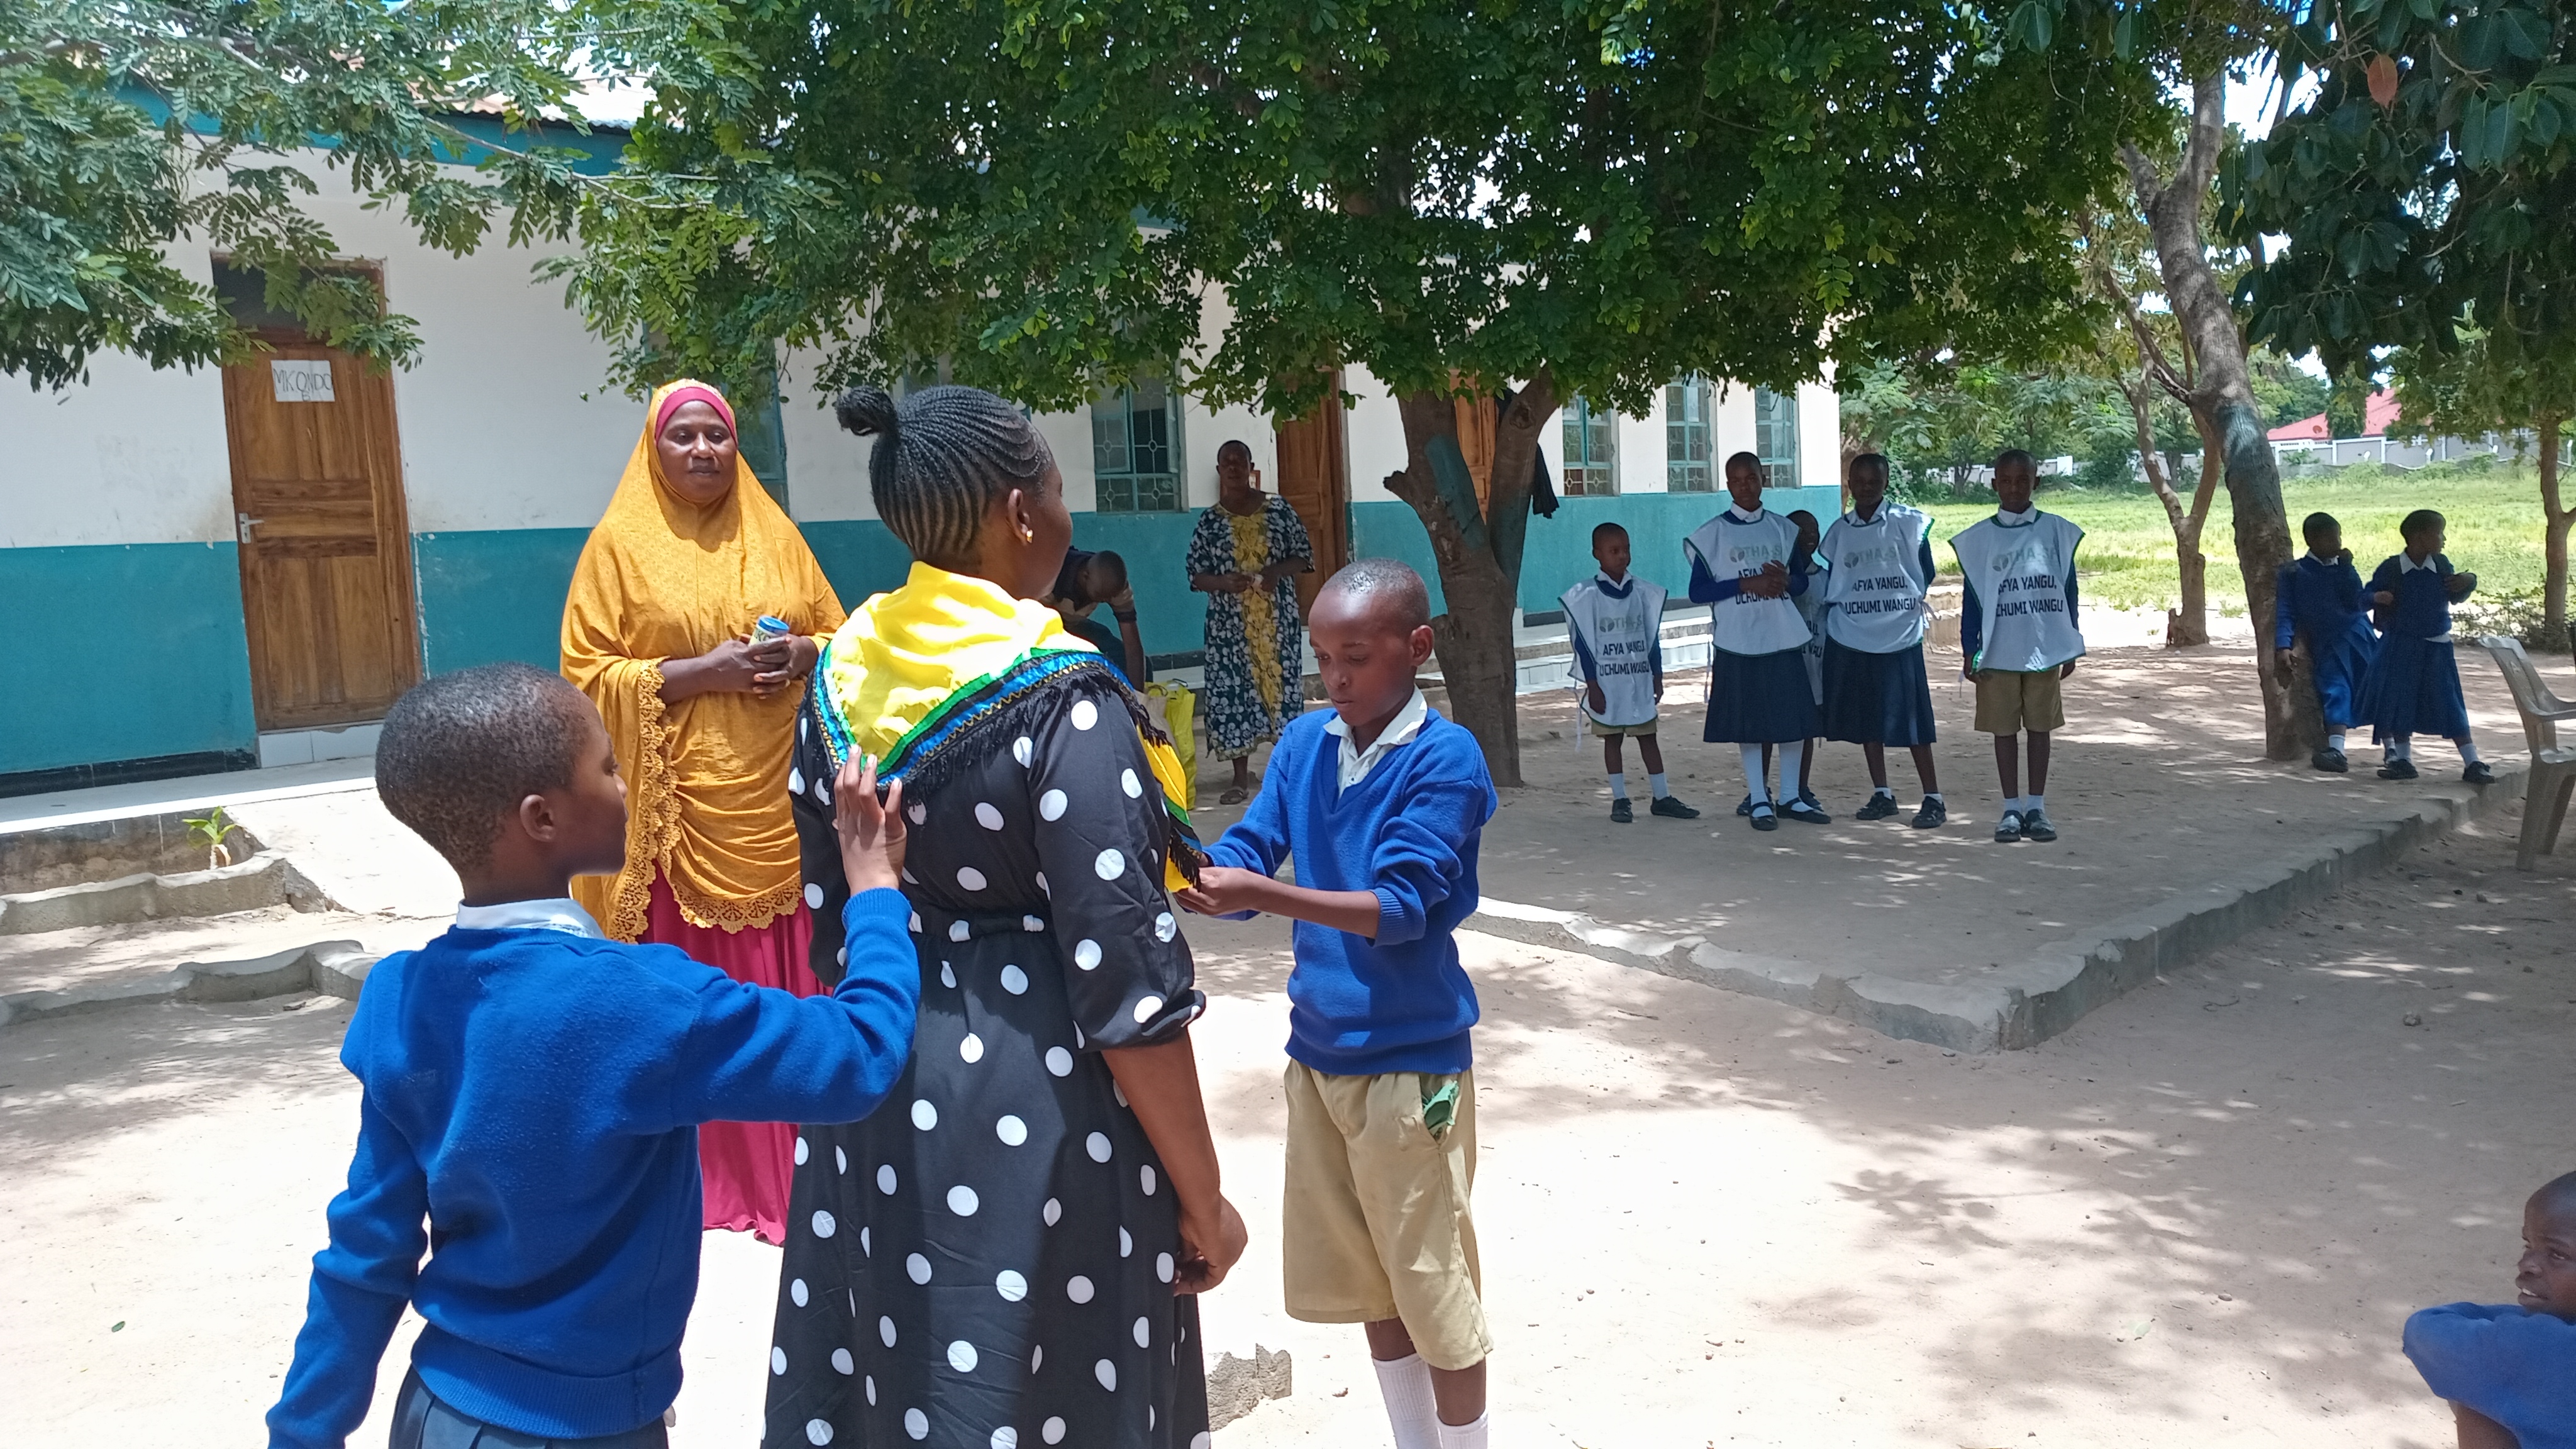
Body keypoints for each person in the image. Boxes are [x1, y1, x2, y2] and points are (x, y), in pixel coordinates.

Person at [264, 663, 918, 1449]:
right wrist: (875, 890)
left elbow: (367, 1251)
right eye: (608, 767)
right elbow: (858, 1055)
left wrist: (302, 1433)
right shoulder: (644, 1003)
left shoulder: (402, 998)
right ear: (542, 817)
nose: (625, 785)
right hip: (582, 1431)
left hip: (439, 1412)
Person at [768, 384, 1247, 1449]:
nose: (1068, 518)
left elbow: (829, 915)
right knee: (1060, 1386)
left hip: (875, 1080)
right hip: (1040, 1102)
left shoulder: (843, 672)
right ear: (1021, 512)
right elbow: (1125, 982)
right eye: (1061, 490)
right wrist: (1205, 1198)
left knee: (906, 1368)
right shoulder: (1063, 696)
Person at [1177, 558, 1501, 1449]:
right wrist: (1199, 870)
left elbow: (1399, 912)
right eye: (1323, 657)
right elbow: (1251, 846)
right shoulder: (1305, 745)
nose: (1337, 677)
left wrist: (1267, 893)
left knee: (1434, 1291)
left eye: (1356, 655)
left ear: (1418, 646)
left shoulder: (1446, 759)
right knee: (1373, 1286)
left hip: (1411, 1065)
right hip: (1318, 1058)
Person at [559, 378, 848, 1244]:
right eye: (683, 436)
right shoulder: (618, 546)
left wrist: (800, 650)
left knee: (790, 981)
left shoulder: (776, 532)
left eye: (716, 436)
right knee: (700, 990)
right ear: (656, 446)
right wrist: (699, 674)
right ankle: (711, 1174)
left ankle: (806, 1166)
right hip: (680, 818)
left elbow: (840, 639)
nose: (702, 452)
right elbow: (585, 676)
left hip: (781, 802)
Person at [1950, 450, 2084, 844]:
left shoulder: (2055, 532)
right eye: (2005, 481)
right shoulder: (1980, 539)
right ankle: (2011, 808)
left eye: (2022, 480)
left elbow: (2068, 591)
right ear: (1993, 484)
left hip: (2043, 646)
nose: (2013, 488)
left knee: (2040, 728)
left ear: (2035, 483)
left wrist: (2070, 640)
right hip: (1997, 649)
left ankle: (2037, 807)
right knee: (2004, 731)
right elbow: (1972, 597)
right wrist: (1968, 648)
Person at [1685, 452, 1824, 831]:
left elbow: (1802, 581)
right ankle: (1759, 798)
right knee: (1751, 723)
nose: (1745, 485)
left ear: (1763, 479)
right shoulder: (1711, 534)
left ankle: (1791, 796)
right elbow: (1697, 591)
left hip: (1782, 635)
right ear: (1727, 484)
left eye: (1752, 478)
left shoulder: (1782, 529)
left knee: (1793, 717)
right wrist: (1747, 584)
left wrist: (1784, 581)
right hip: (1739, 639)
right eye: (1737, 480)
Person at [2402, 1170, 2576, 1449]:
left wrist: (2515, 1326)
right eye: (2528, 1245)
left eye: (2557, 1254)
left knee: (2477, 1389)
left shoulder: (2540, 1348)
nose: (2527, 1263)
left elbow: (2424, 1329)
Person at [1819, 453, 1945, 828]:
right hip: (1854, 636)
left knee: (1914, 721)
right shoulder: (1840, 531)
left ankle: (1933, 798)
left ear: (1886, 482)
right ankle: (1882, 793)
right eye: (1859, 481)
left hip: (1898, 635)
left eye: (1874, 481)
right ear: (1850, 484)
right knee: (1868, 719)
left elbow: (1927, 571)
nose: (1867, 487)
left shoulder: (1909, 523)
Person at [1187, 438, 1314, 804]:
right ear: (1218, 470)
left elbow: (1304, 556)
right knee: (1234, 695)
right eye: (1225, 462)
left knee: (1284, 693)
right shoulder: (1210, 521)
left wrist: (1275, 572)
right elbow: (1196, 575)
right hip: (1230, 628)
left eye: (1239, 461)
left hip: (1277, 622)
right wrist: (1224, 583)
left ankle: (1288, 774)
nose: (1232, 468)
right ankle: (1240, 778)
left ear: (1250, 467)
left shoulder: (1279, 511)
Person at [1562, 521, 1697, 823]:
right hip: (1608, 683)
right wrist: (1592, 686)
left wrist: (1657, 674)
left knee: (1649, 738)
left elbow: (1651, 638)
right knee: (1613, 741)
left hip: (1637, 679)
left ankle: (1662, 797)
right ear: (1597, 554)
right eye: (1614, 551)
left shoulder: (1641, 593)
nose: (1622, 556)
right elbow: (1584, 645)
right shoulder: (1587, 597)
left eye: (1626, 550)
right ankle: (1620, 799)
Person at [2355, 509, 2497, 784]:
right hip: (2400, 646)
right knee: (2400, 703)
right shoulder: (2392, 568)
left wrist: (2470, 580)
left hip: (2437, 648)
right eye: (2439, 532)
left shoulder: (2441, 565)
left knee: (2450, 702)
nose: (2443, 539)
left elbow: (2456, 594)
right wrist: (2377, 596)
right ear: (2419, 537)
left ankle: (2472, 761)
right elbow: (2363, 598)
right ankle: (2403, 759)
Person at [2273, 511, 2379, 774]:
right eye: (2332, 538)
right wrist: (2283, 645)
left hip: (2359, 635)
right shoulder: (2294, 573)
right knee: (2336, 691)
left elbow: (2355, 599)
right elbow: (2286, 610)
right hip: (2328, 643)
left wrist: (2346, 567)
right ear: (2313, 540)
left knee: (2376, 688)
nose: (2338, 542)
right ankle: (2337, 750)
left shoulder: (2342, 569)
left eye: (2339, 536)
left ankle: (2394, 750)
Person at [1783, 508, 1829, 816]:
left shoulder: (1827, 579)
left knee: (1807, 728)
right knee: (1769, 729)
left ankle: (1800, 787)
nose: (1808, 539)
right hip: (1785, 662)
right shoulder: (1779, 580)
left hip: (1815, 662)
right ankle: (1758, 791)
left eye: (1813, 532)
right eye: (1800, 533)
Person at [1050, 545, 1150, 685]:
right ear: (1085, 576)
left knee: (1131, 662)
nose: (1106, 600)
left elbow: (1132, 645)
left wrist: (1138, 698)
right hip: (1043, 631)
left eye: (1109, 598)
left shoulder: (1114, 586)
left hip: (1074, 628)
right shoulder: (1052, 576)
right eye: (1100, 597)